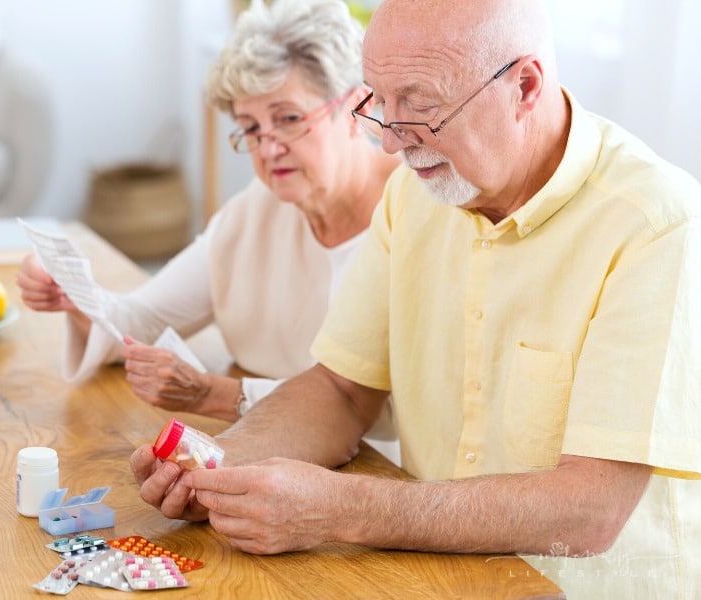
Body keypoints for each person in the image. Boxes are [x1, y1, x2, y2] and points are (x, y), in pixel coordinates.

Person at [129, 0, 701, 598]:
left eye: (421, 104)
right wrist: (218, 468)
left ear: (524, 86)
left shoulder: (655, 224)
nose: (389, 144)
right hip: (432, 577)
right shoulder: (414, 194)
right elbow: (342, 390)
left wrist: (345, 509)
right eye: (379, 101)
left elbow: (592, 509)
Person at [16, 0, 402, 463]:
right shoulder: (253, 214)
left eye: (288, 118)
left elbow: (377, 408)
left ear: (357, 106)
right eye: (250, 129)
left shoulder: (412, 214)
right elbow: (143, 323)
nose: (269, 148)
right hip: (262, 452)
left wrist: (216, 394)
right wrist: (74, 293)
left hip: (376, 473)